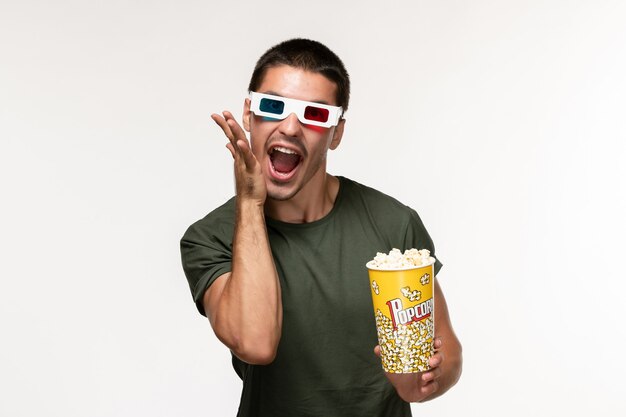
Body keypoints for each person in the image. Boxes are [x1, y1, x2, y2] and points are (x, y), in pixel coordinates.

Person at [180, 38, 462, 417]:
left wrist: (426, 379)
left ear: (336, 132)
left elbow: (448, 353)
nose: (291, 127)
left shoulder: (393, 223)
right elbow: (256, 342)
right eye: (273, 106)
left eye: (314, 114)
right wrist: (250, 202)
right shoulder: (210, 237)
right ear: (249, 114)